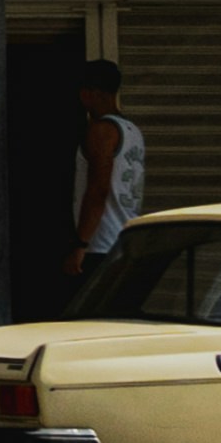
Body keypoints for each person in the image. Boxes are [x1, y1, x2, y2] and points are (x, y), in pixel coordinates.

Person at [66, 57, 148, 289]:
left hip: (100, 246)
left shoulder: (101, 131)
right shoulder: (132, 131)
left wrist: (81, 244)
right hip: (123, 242)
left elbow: (98, 190)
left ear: (87, 94)